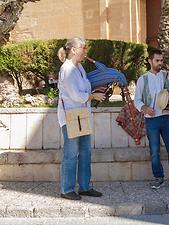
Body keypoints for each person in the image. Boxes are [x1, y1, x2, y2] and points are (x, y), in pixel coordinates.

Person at [57, 37, 105, 200]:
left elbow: (84, 88)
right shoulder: (67, 69)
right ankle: (66, 189)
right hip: (71, 116)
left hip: (82, 116)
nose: (85, 51)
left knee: (85, 152)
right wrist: (92, 96)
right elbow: (75, 95)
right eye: (83, 48)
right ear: (73, 50)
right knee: (71, 154)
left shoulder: (80, 68)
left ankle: (84, 187)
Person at [134, 49, 169, 189]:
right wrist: (145, 109)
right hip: (152, 120)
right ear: (150, 61)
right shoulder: (143, 79)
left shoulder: (166, 75)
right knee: (154, 151)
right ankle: (158, 178)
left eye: (161, 60)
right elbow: (137, 100)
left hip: (168, 118)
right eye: (157, 60)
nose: (160, 63)